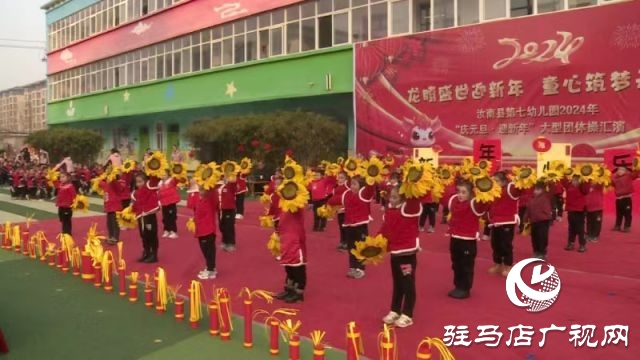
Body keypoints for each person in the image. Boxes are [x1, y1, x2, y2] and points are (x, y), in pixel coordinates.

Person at [379, 187, 421, 328]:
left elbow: (414, 198)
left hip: (407, 255)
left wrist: (413, 183)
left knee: (408, 283)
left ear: (403, 199)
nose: (391, 200)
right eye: (391, 197)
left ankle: (408, 314)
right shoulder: (390, 211)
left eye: (395, 197)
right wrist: (374, 242)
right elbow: (385, 229)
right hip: (395, 253)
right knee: (397, 283)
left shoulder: (409, 210)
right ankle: (395, 310)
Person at [447, 179, 489, 299]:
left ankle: (465, 288)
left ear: (471, 194)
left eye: (464, 192)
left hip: (468, 241)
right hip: (455, 238)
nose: (460, 195)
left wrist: (483, 188)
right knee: (456, 264)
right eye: (458, 191)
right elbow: (445, 197)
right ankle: (457, 286)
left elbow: (484, 203)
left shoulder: (474, 204)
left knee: (466, 265)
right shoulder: (454, 202)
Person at [328, 175, 375, 279]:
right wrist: (328, 203)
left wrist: (372, 178)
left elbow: (370, 189)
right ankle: (352, 267)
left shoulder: (364, 194)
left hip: (360, 226)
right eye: (351, 183)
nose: (352, 186)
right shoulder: (347, 194)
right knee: (351, 248)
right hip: (349, 226)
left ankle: (360, 269)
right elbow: (335, 200)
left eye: (355, 184)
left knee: (362, 248)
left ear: (361, 186)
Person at [274, 195, 307, 304]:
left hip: (295, 238)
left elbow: (296, 206)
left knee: (297, 266)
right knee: (288, 265)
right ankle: (289, 289)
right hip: (286, 238)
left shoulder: (297, 201)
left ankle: (299, 293)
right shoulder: (284, 201)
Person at [486, 171, 520, 277]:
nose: (494, 183)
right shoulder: (491, 192)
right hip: (495, 222)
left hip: (507, 222)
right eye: (493, 181)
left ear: (504, 181)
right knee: (495, 244)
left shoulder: (510, 189)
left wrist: (518, 178)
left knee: (506, 245)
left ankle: (508, 265)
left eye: (497, 181)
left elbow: (519, 189)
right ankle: (498, 264)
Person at [131, 173, 160, 263]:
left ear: (146, 181)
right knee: (143, 235)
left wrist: (153, 168)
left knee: (151, 234)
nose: (138, 184)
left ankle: (153, 254)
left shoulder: (149, 188)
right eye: (137, 182)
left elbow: (154, 179)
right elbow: (135, 204)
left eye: (140, 182)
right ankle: (146, 252)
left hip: (149, 217)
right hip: (141, 217)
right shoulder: (135, 193)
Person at [193, 184, 220, 280]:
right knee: (204, 250)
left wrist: (210, 183)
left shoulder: (211, 199)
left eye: (203, 189)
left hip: (208, 230)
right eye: (200, 189)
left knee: (209, 250)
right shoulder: (199, 199)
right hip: (200, 230)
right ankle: (210, 267)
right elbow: (191, 206)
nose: (201, 191)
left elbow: (214, 191)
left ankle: (211, 269)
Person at [524, 182, 553, 259]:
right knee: (534, 237)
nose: (535, 191)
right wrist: (526, 218)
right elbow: (528, 209)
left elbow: (552, 190)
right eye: (535, 189)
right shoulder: (532, 199)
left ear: (543, 190)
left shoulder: (546, 196)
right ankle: (536, 251)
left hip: (543, 220)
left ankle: (542, 252)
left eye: (538, 190)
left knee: (542, 237)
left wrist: (551, 181)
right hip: (534, 221)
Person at [562, 175, 590, 253]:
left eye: (577, 180)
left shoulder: (582, 186)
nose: (575, 182)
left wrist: (586, 179)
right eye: (574, 180)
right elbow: (563, 181)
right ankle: (571, 243)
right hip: (571, 210)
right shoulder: (569, 185)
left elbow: (586, 189)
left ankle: (582, 244)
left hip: (580, 210)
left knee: (580, 229)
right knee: (571, 228)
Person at [611, 167, 638, 232]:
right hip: (618, 199)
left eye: (622, 170)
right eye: (619, 170)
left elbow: (636, 174)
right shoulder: (614, 177)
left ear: (625, 171)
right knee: (619, 213)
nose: (620, 171)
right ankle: (617, 226)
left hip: (626, 198)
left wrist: (637, 167)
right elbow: (611, 184)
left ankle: (627, 226)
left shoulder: (629, 175)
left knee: (627, 213)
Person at [99, 175, 125, 245]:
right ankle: (111, 236)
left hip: (115, 206)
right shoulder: (106, 184)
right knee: (109, 223)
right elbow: (100, 183)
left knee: (115, 223)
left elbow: (120, 188)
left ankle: (115, 238)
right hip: (109, 207)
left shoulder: (116, 183)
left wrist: (113, 179)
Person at [217, 174, 237, 251]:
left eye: (227, 176)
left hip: (229, 209)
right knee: (222, 226)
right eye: (225, 176)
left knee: (229, 227)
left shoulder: (231, 186)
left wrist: (232, 177)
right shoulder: (220, 186)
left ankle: (231, 243)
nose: (226, 178)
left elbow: (234, 182)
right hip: (220, 210)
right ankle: (224, 241)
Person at [158, 170, 181, 239]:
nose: (163, 176)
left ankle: (173, 231)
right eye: (162, 175)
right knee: (165, 218)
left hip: (171, 203)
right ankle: (166, 230)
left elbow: (177, 179)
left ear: (168, 175)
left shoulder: (171, 181)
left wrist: (177, 168)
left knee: (172, 217)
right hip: (164, 203)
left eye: (164, 175)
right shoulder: (160, 184)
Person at [331, 172, 350, 252]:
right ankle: (342, 241)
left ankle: (347, 243)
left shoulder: (347, 187)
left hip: (346, 211)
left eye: (342, 178)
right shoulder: (335, 188)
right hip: (339, 211)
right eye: (338, 177)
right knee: (341, 227)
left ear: (346, 179)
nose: (340, 179)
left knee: (346, 228)